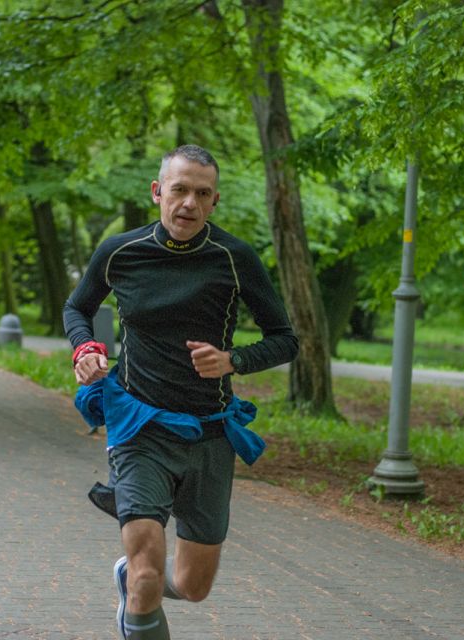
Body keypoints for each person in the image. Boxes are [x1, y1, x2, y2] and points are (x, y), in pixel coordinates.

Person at [63, 144, 298, 639]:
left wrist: (232, 360)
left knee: (192, 586)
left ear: (214, 201)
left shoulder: (234, 259)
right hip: (138, 426)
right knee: (149, 572)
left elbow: (286, 339)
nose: (189, 202)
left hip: (209, 435)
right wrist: (85, 348)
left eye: (202, 193)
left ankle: (128, 580)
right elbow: (77, 308)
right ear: (157, 193)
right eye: (179, 190)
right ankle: (138, 582)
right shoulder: (120, 252)